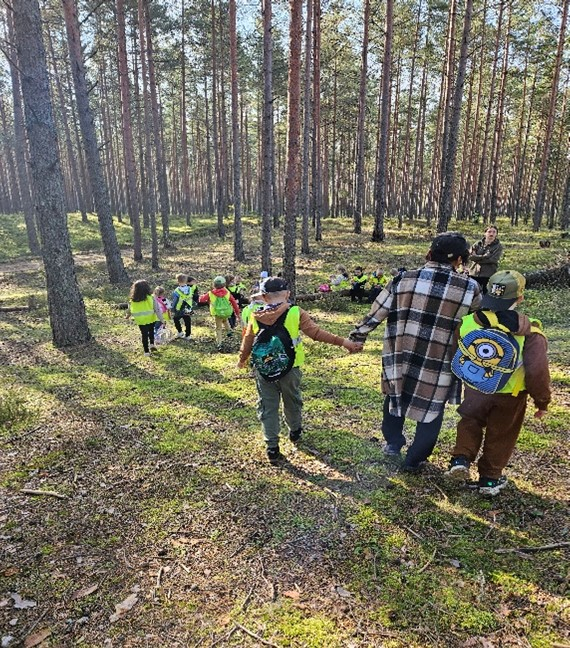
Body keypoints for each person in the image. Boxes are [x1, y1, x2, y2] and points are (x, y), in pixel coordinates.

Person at [349, 232, 482, 472]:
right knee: (433, 410)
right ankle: (414, 459)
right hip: (439, 363)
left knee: (395, 396)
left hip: (400, 356)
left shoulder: (402, 280)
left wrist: (357, 336)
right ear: (460, 260)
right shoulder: (470, 288)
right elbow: (479, 326)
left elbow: (376, 312)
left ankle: (393, 444)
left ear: (429, 254)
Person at [446, 270, 551, 496]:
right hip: (510, 396)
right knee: (502, 434)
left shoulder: (467, 323)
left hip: (476, 387)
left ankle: (460, 459)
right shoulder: (531, 333)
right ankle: (490, 480)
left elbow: (457, 354)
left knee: (470, 421)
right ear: (520, 298)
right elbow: (537, 372)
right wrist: (542, 402)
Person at [237, 277, 361, 464]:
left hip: (264, 369)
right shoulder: (295, 312)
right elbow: (316, 334)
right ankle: (294, 431)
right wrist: (345, 342)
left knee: (267, 406)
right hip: (291, 368)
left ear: (263, 296)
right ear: (287, 294)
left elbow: (248, 340)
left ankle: (271, 446)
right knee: (292, 400)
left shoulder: (254, 315)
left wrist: (242, 360)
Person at [199, 276, 240, 350]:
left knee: (218, 328)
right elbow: (234, 303)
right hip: (226, 312)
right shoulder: (227, 293)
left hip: (217, 313)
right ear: (224, 284)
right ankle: (229, 332)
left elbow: (201, 300)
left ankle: (219, 343)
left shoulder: (210, 293)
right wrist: (237, 313)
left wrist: (201, 296)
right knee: (225, 320)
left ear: (214, 284)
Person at [125, 279, 164, 356]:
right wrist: (162, 319)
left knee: (144, 335)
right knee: (151, 331)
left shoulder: (133, 300)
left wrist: (127, 316)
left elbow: (129, 309)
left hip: (141, 321)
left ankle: (146, 352)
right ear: (147, 288)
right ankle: (152, 344)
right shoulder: (152, 298)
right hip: (151, 318)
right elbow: (157, 309)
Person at [468, 226, 503, 293]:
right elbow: (470, 257)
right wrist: (484, 256)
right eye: (489, 232)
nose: (491, 234)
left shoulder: (498, 246)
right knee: (471, 294)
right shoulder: (478, 244)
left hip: (488, 274)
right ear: (485, 233)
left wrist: (477, 257)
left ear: (496, 234)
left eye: (494, 232)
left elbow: (493, 260)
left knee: (486, 295)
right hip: (474, 273)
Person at [171, 274, 198, 340]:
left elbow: (175, 300)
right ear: (186, 281)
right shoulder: (190, 289)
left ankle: (180, 332)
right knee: (187, 321)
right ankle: (188, 335)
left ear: (178, 281)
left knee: (175, 319)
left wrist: (172, 308)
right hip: (188, 307)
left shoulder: (177, 290)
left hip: (179, 308)